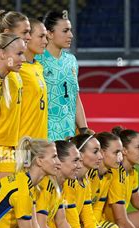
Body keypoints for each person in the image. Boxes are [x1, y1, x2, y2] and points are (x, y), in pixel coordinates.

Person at [0, 11, 31, 191]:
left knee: (1, 210)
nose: (29, 37)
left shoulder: (13, 75)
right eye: (25, 32)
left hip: (9, 148)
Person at [36, 11, 90, 141]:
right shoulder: (37, 61)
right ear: (49, 33)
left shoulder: (71, 61)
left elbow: (75, 97)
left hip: (68, 135)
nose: (70, 35)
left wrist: (83, 129)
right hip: (45, 136)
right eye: (65, 31)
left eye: (70, 30)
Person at [18, 17, 48, 140]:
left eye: (46, 37)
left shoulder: (38, 67)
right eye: (41, 36)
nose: (45, 41)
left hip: (40, 143)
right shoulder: (16, 70)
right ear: (27, 37)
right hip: (22, 143)